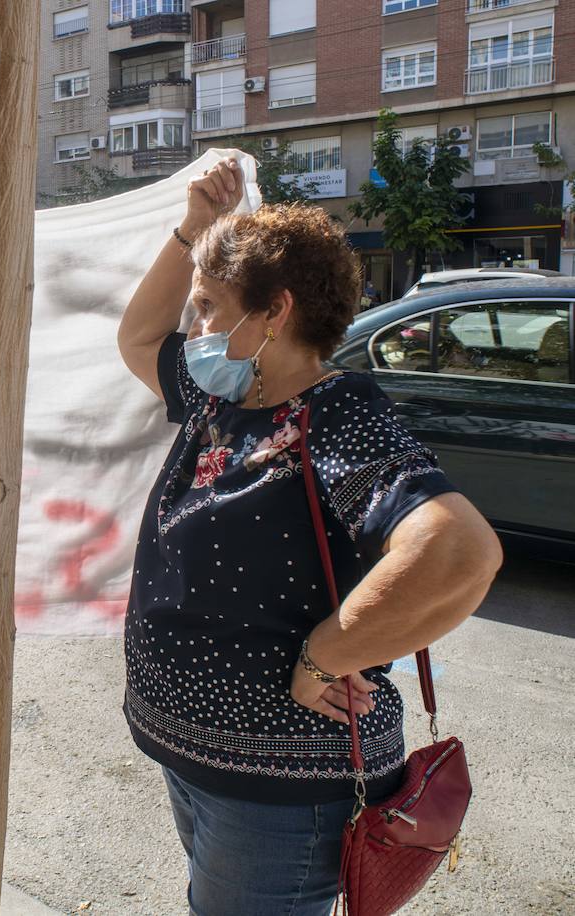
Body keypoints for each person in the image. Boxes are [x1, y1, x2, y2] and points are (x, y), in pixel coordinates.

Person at [115, 157, 502, 915]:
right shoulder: (223, 395)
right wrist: (192, 231)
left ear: (275, 313)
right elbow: (137, 337)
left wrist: (328, 655)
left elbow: (458, 551)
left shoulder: (334, 411)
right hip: (199, 761)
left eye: (208, 307)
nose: (191, 328)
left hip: (278, 797)